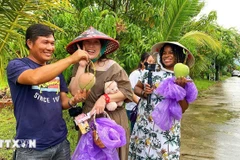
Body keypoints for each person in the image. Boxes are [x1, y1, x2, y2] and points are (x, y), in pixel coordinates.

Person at [6, 23, 90, 160]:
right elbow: (34, 78)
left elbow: (62, 102)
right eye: (45, 42)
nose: (50, 47)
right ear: (30, 43)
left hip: (60, 142)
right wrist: (70, 59)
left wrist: (74, 100)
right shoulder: (16, 65)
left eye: (52, 43)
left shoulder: (56, 72)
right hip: (31, 147)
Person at [67, 27, 133, 160]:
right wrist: (81, 65)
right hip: (90, 117)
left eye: (96, 42)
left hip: (112, 118)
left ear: (102, 47)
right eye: (87, 42)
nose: (91, 46)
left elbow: (127, 91)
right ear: (82, 46)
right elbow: (75, 92)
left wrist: (105, 98)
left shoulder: (112, 66)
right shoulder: (79, 67)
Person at [128, 41, 196, 159]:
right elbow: (137, 88)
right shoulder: (150, 70)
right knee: (141, 154)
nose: (166, 55)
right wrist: (144, 93)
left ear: (179, 55)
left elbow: (183, 108)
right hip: (144, 124)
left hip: (166, 129)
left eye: (171, 53)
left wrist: (179, 89)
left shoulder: (183, 79)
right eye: (164, 53)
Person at [125, 52, 155, 133]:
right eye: (149, 61)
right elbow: (130, 91)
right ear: (142, 62)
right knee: (135, 130)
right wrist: (140, 101)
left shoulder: (152, 74)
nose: (151, 63)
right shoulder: (135, 74)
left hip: (144, 108)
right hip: (133, 107)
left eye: (153, 62)